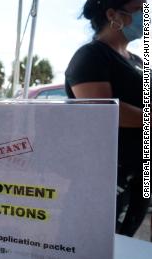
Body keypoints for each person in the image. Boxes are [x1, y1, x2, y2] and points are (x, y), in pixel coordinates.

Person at [65, 0, 148, 237]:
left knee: (126, 240)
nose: (147, 16)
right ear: (113, 14)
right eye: (140, 9)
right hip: (107, 176)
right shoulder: (91, 56)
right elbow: (102, 110)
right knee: (97, 242)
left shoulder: (138, 61)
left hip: (140, 172)